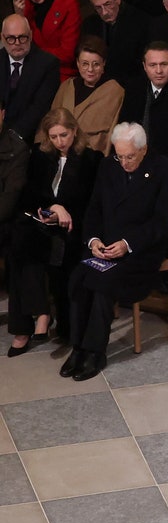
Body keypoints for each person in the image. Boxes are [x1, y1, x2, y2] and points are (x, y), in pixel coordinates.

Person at [59, 123, 168, 382]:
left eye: (130, 156)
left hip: (140, 251)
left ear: (143, 150)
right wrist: (93, 241)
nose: (123, 162)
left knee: (103, 283)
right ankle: (78, 348)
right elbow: (94, 209)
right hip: (105, 248)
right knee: (78, 279)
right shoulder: (108, 165)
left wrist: (127, 243)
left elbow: (160, 222)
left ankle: (95, 351)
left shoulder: (164, 169)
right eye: (119, 156)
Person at [6, 111, 100, 356]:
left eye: (64, 135)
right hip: (43, 222)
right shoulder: (40, 155)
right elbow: (29, 195)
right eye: (54, 136)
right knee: (20, 244)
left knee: (54, 251)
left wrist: (64, 212)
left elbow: (91, 202)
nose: (60, 141)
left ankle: (47, 318)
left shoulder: (90, 159)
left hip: (73, 227)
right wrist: (53, 207)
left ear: (75, 131)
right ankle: (31, 321)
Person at [45, 39, 124, 156]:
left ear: (104, 63)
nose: (90, 69)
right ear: (77, 63)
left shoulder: (115, 91)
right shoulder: (67, 86)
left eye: (96, 64)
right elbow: (49, 122)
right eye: (85, 64)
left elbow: (112, 134)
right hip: (59, 154)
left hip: (93, 156)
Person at [0, 14, 63, 146]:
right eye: (11, 38)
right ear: (2, 38)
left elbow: (39, 107)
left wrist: (13, 136)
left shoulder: (48, 64)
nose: (17, 43)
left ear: (31, 35)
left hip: (27, 138)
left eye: (22, 37)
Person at [11, 0, 79, 83]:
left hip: (61, 71)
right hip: (33, 67)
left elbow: (68, 54)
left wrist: (35, 54)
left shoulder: (69, 4)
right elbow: (20, 43)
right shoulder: (26, 6)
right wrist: (19, 16)